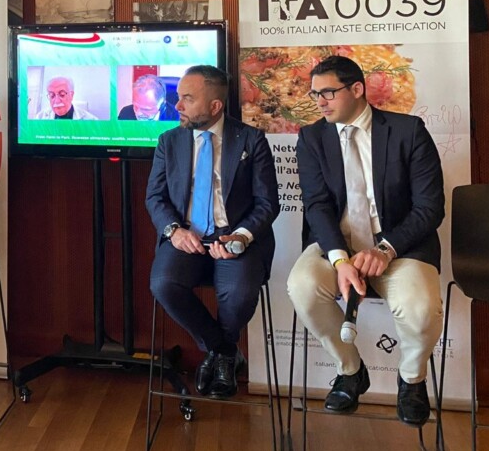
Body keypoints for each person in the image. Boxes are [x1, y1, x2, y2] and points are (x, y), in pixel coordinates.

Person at [287, 55, 444, 426]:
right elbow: (317, 205)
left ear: (357, 89)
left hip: (400, 247)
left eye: (328, 92)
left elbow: (429, 207)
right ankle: (350, 370)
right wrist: (340, 260)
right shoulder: (312, 138)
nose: (320, 102)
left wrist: (385, 250)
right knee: (302, 286)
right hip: (337, 245)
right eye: (314, 94)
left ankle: (411, 380)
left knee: (420, 308)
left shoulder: (408, 131)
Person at [146, 65, 279, 399]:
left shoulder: (251, 140)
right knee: (164, 284)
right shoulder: (169, 141)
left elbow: (267, 203)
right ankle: (224, 351)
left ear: (215, 106)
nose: (177, 106)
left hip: (234, 237)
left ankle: (220, 355)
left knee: (239, 292)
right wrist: (174, 231)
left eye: (187, 99)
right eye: (178, 97)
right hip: (187, 236)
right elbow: (155, 197)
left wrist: (241, 237)